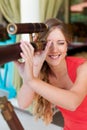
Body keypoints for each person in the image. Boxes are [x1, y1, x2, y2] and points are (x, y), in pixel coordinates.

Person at [15, 18, 87, 130]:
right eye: (48, 44)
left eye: (60, 43)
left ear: (67, 45)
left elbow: (73, 103)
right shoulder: (43, 73)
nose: (54, 49)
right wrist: (35, 67)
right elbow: (23, 103)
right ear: (40, 46)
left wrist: (30, 79)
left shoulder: (84, 67)